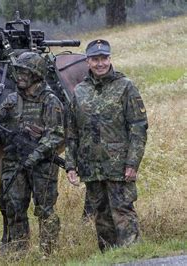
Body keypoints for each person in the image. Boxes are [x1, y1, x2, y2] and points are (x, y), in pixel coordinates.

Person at [65, 39, 148, 252]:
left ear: (110, 59)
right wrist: (71, 165)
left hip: (119, 167)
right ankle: (109, 258)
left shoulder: (125, 86)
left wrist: (133, 163)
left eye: (104, 58)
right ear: (88, 62)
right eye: (95, 59)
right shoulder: (79, 91)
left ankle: (132, 256)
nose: (100, 63)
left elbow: (138, 128)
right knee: (100, 215)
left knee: (123, 212)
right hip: (91, 167)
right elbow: (72, 131)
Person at [0, 52, 65, 254]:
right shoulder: (12, 100)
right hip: (14, 164)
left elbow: (56, 136)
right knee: (14, 207)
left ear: (36, 74)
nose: (20, 76)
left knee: (44, 210)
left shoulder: (50, 101)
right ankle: (19, 251)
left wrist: (34, 155)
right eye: (18, 71)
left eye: (26, 72)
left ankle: (48, 253)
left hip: (42, 165)